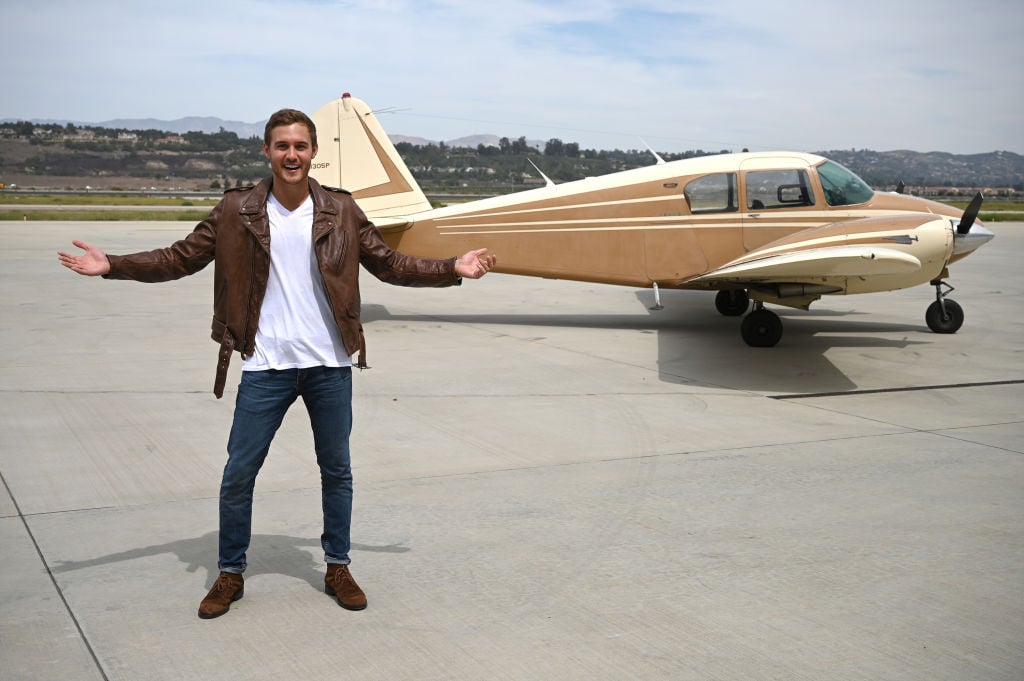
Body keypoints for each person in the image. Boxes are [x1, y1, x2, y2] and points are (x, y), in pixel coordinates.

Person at [58, 108, 496, 619]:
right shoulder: (236, 209)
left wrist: (451, 268)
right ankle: (230, 573)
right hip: (266, 364)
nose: (292, 154)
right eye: (282, 146)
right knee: (239, 472)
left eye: (301, 146)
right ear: (266, 151)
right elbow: (180, 257)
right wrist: (114, 265)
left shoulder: (341, 209)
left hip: (328, 363)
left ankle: (337, 565)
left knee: (337, 470)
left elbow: (389, 262)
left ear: (313, 153)